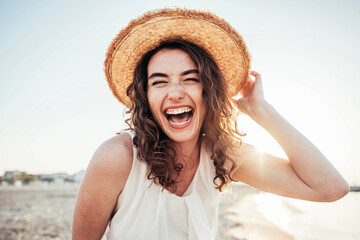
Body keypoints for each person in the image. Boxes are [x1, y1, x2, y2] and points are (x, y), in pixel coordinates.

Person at [72, 8, 349, 240]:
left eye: (190, 78)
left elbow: (331, 188)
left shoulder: (223, 155)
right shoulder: (117, 157)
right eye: (160, 81)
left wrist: (261, 109)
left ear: (209, 92)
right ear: (145, 96)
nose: (176, 92)